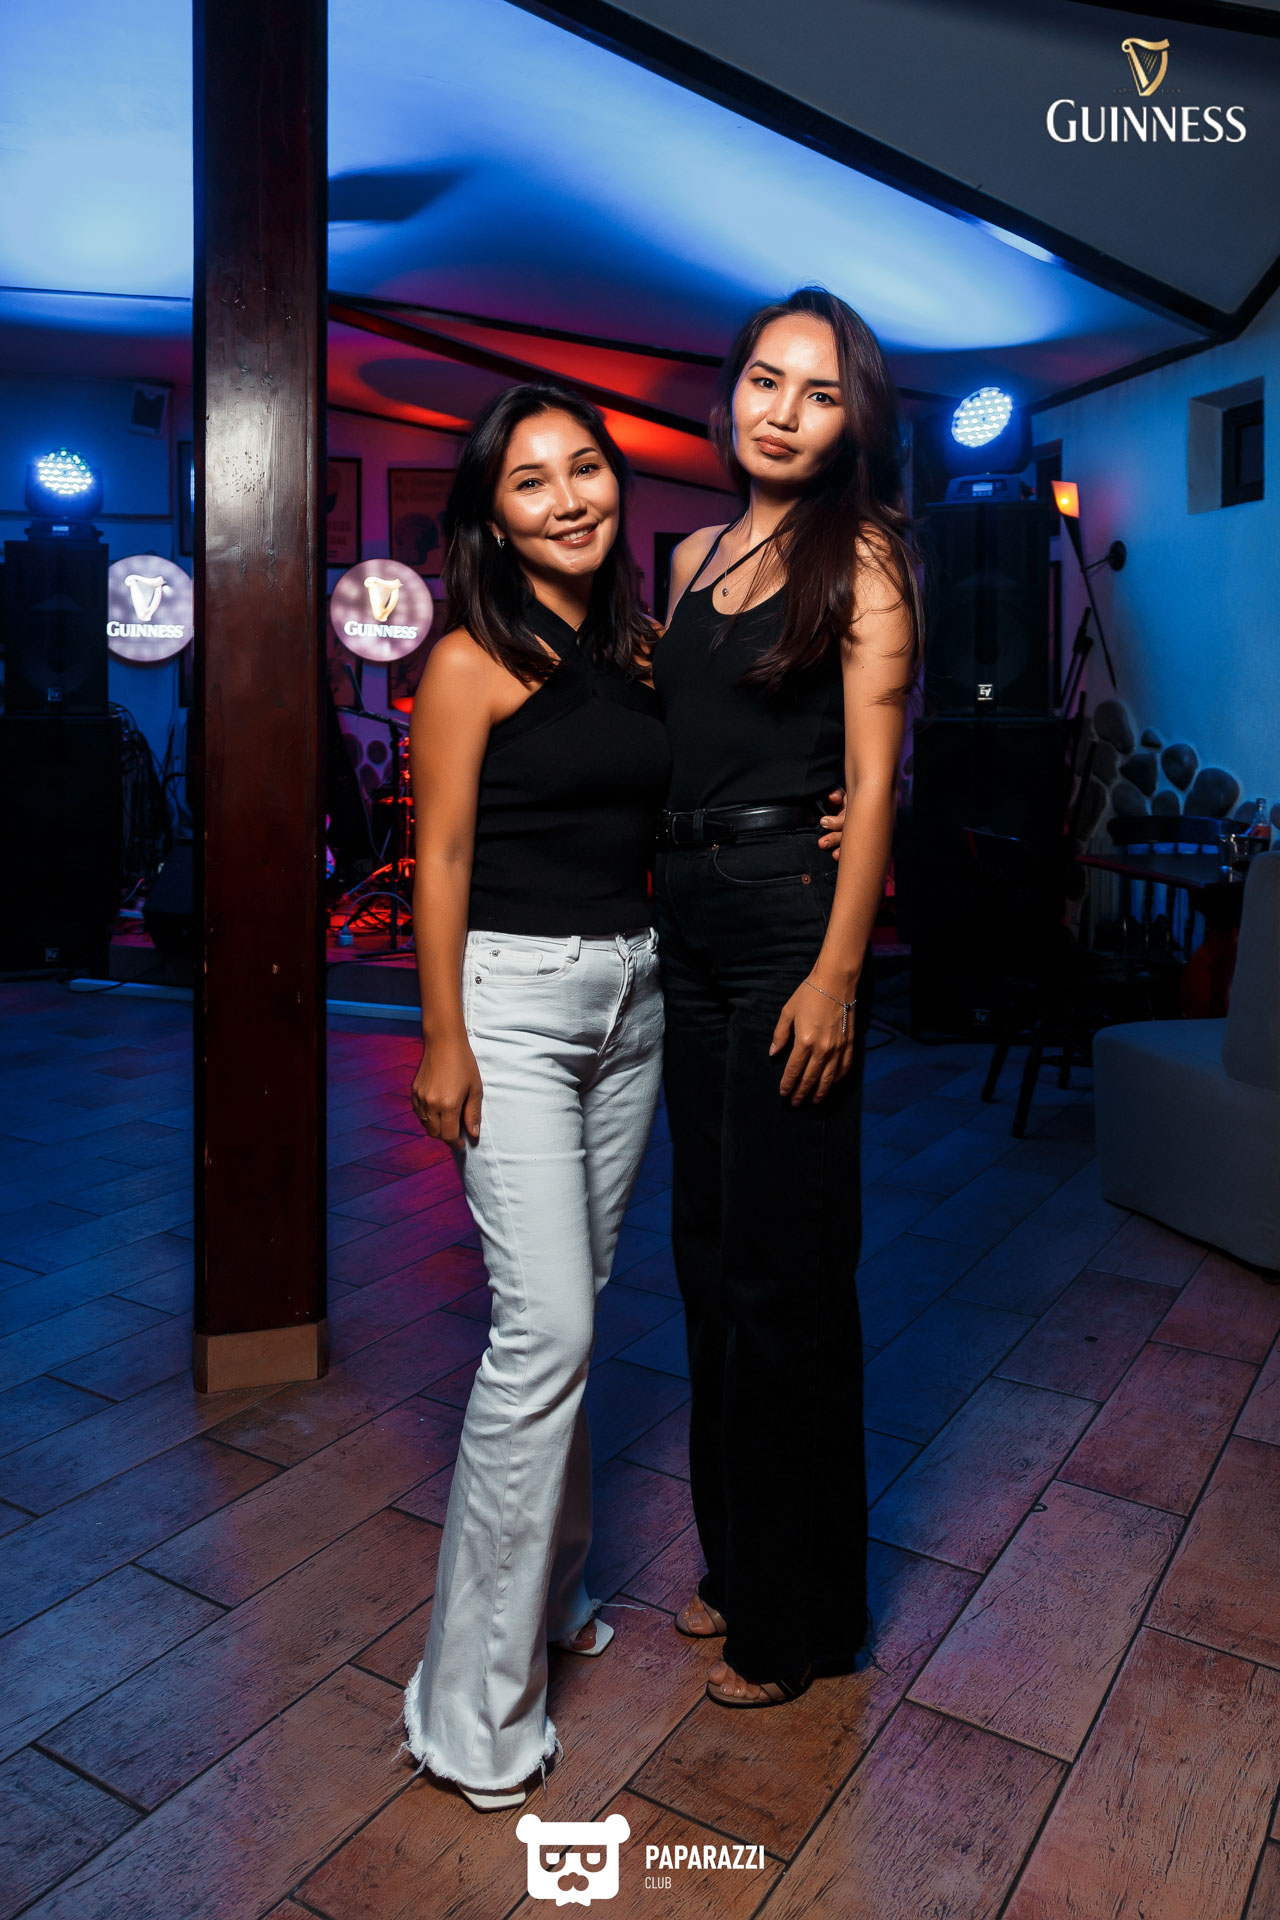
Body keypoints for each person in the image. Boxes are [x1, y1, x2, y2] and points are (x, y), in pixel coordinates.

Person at [400, 384, 671, 1810]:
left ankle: (552, 1600)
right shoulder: (468, 661)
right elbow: (440, 858)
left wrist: (825, 810)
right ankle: (470, 1712)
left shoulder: (639, 651)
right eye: (530, 481)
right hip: (511, 1001)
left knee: (575, 1315)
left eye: (586, 468)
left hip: (636, 999)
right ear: (491, 521)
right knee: (545, 1329)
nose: (568, 498)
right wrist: (444, 1038)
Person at [651, 286, 920, 1709]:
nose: (783, 411)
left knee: (787, 1273)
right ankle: (735, 1561)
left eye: (819, 393)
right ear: (732, 391)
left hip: (785, 930)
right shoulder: (688, 556)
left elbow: (874, 780)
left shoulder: (862, 556)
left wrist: (836, 971)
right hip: (686, 920)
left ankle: (798, 1620)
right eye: (766, 379)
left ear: (851, 421)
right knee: (707, 1256)